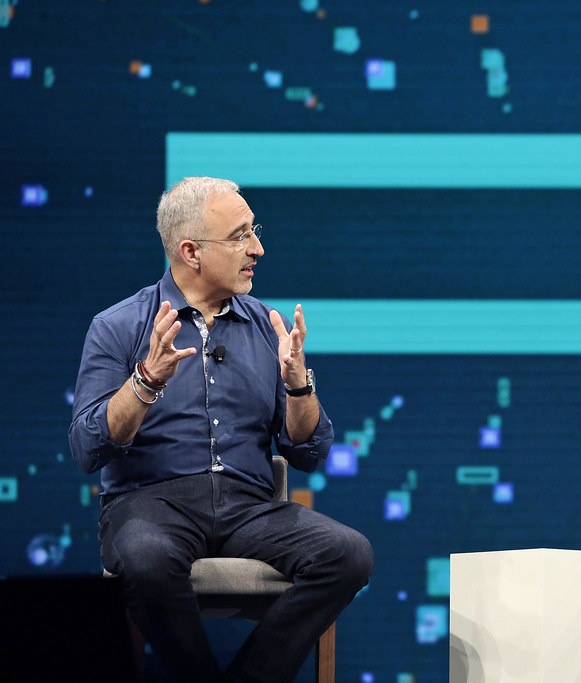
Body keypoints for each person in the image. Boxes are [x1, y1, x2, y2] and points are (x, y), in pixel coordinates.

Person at [69, 176, 375, 683]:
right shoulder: (119, 326)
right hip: (150, 504)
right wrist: (145, 382)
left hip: (249, 508)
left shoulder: (266, 327)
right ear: (191, 251)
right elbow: (87, 447)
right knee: (146, 559)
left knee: (349, 554)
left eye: (254, 231)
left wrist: (298, 386)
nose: (257, 249)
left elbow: (307, 452)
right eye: (239, 236)